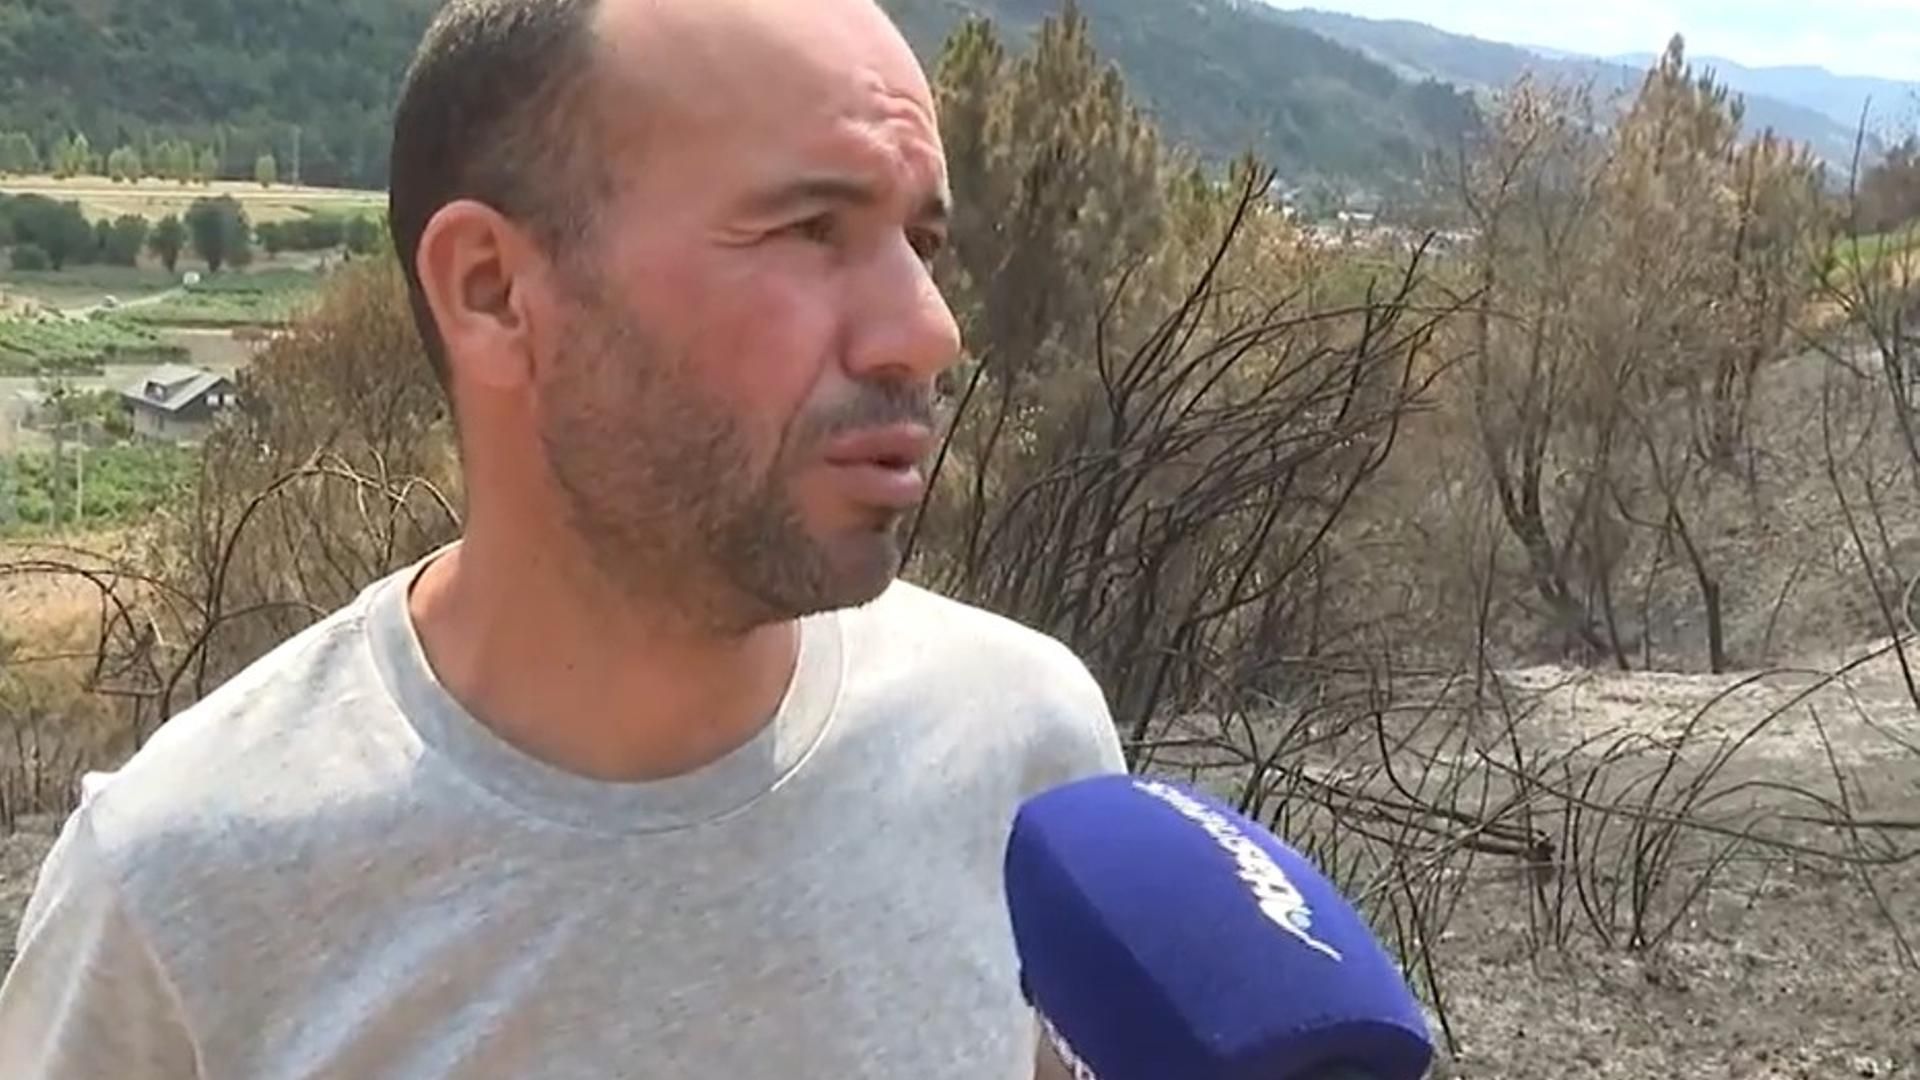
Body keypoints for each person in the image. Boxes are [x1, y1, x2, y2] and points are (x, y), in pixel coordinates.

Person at [0, 0, 1127, 1077]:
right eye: (809, 231)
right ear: (493, 291)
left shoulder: (1024, 751)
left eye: (921, 241)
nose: (928, 330)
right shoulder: (180, 901)